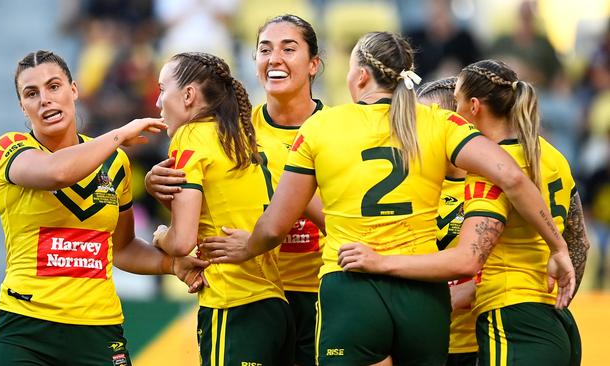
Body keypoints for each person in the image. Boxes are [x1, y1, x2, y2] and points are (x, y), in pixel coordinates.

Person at [200, 33, 576, 366]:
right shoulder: (439, 123)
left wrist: (246, 248)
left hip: (353, 287)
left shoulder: (323, 126)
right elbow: (511, 174)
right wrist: (557, 247)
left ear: (361, 75)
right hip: (423, 298)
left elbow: (275, 226)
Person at [338, 60, 589, 365]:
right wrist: (557, 297)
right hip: (550, 323)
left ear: (470, 109)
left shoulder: (489, 173)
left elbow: (468, 261)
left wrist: (382, 266)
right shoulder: (549, 156)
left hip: (507, 324)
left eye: (433, 118)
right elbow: (577, 239)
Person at [0, 50, 208, 366]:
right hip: (24, 330)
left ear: (73, 90)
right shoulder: (9, 149)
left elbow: (124, 247)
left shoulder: (115, 164)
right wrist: (118, 135)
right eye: (31, 94)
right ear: (23, 106)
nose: (45, 99)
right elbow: (55, 173)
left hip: (98, 330)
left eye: (54, 86)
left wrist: (172, 265)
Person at [147, 14, 326, 366]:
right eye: (264, 49)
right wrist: (157, 184)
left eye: (288, 48)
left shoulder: (337, 128)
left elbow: (337, 215)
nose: (274, 58)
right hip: (273, 292)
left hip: (317, 296)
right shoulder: (242, 129)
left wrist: (259, 238)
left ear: (314, 64)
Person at [417, 77, 478, 366]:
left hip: (472, 346)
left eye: (424, 122)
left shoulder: (488, 187)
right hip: (417, 343)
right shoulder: (409, 184)